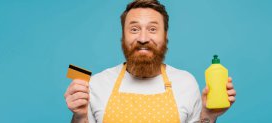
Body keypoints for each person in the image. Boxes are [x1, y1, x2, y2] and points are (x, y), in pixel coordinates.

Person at [64, 0, 236, 122]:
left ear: (165, 35)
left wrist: (208, 116)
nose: (143, 38)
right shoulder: (98, 83)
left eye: (153, 29)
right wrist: (79, 116)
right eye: (134, 29)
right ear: (123, 36)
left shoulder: (186, 82)